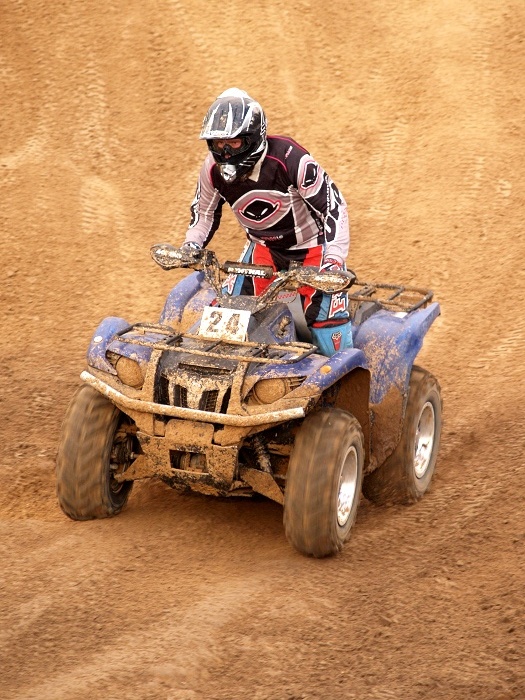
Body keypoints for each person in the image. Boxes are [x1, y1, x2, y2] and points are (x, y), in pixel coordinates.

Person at [179, 87, 352, 356]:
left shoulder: (291, 159)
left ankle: (347, 377)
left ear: (253, 137)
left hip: (312, 250)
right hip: (263, 251)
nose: (225, 151)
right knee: (228, 314)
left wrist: (334, 261)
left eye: (234, 142)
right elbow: (203, 213)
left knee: (328, 331)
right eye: (218, 143)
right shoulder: (211, 169)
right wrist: (191, 244)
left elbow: (333, 207)